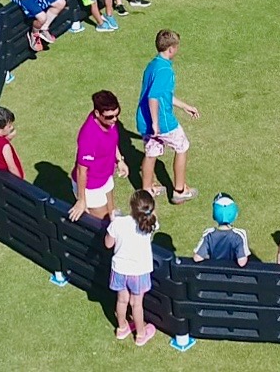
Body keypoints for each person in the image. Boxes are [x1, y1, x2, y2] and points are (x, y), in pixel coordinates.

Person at [136, 29, 199, 204]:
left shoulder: (153, 65)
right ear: (171, 49)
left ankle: (147, 191)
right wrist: (156, 123)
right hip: (162, 121)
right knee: (182, 146)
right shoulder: (165, 70)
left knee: (151, 152)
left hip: (144, 119)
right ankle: (179, 191)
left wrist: (185, 106)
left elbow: (163, 94)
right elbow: (154, 97)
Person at [104, 190, 158, 347]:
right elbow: (152, 219)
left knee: (122, 300)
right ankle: (141, 334)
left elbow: (108, 244)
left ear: (131, 206)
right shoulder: (151, 224)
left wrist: (113, 221)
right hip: (139, 272)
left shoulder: (118, 223)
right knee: (136, 304)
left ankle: (121, 328)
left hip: (119, 269)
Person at [68, 91, 130, 222]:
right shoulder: (88, 136)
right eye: (110, 116)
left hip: (106, 176)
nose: (115, 119)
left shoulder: (110, 123)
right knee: (105, 223)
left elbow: (113, 141)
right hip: (91, 186)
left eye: (117, 115)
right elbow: (81, 171)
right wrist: (81, 200)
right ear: (97, 113)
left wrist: (120, 160)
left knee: (112, 213)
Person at [192, 193, 251, 267]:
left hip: (214, 273)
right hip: (232, 275)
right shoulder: (239, 235)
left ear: (214, 215)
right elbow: (242, 262)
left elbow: (197, 258)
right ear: (234, 214)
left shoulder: (208, 234)